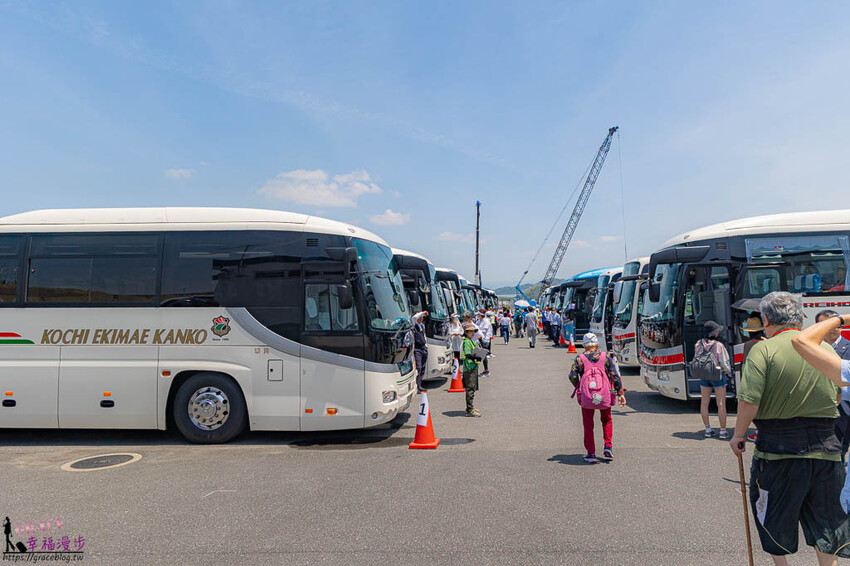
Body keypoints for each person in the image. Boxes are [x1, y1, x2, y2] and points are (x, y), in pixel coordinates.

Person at [731, 291, 850, 564]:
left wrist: (738, 435)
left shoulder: (763, 349)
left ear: (766, 319)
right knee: (827, 523)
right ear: (800, 318)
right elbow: (837, 397)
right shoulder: (826, 349)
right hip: (826, 450)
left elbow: (749, 399)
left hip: (778, 452)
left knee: (773, 517)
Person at [568, 332, 626, 463]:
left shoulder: (579, 358)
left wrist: (579, 386)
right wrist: (620, 393)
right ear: (596, 343)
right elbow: (614, 376)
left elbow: (572, 375)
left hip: (587, 396)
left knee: (588, 424)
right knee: (606, 420)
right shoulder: (606, 357)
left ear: (584, 345)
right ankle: (608, 446)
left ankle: (591, 453)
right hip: (604, 394)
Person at [812, 310, 850, 459]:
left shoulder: (848, 347)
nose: (833, 328)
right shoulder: (813, 349)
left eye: (835, 324)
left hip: (844, 410)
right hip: (818, 408)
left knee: (839, 449)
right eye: (826, 324)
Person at [691, 320, 731, 439]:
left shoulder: (698, 344)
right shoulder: (719, 345)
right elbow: (724, 363)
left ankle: (708, 429)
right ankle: (723, 431)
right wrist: (727, 372)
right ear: (715, 333)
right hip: (717, 375)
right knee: (721, 403)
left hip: (704, 375)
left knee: (704, 402)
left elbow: (696, 357)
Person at [741, 314, 767, 443]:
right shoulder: (767, 342)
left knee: (755, 407)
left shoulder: (748, 345)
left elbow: (745, 365)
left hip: (753, 379)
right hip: (767, 378)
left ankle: (758, 432)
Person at [460, 322, 483, 417]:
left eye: (473, 331)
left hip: (472, 367)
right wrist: (476, 357)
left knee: (472, 388)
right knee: (470, 389)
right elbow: (468, 354)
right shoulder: (466, 341)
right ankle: (469, 409)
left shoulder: (470, 341)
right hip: (469, 367)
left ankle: (470, 407)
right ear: (466, 332)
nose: (473, 333)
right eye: (470, 331)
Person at [411, 310, 429, 392]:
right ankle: (416, 385)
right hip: (417, 348)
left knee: (423, 367)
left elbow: (424, 336)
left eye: (422, 317)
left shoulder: (422, 325)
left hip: (423, 348)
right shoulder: (414, 325)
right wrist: (422, 313)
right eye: (420, 317)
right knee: (418, 367)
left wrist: (426, 346)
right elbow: (414, 318)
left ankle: (420, 384)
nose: (422, 318)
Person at [476, 312, 492, 377]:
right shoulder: (479, 321)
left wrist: (476, 332)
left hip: (484, 340)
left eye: (478, 315)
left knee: (483, 355)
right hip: (480, 340)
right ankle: (484, 370)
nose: (477, 316)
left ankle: (486, 371)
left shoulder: (486, 321)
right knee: (481, 355)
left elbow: (483, 331)